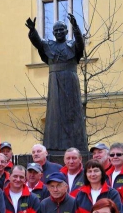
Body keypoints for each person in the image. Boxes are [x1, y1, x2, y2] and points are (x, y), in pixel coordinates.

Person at [26, 14, 86, 152]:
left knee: (73, 112)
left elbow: (80, 45)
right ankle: (54, 145)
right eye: (56, 30)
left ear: (66, 31)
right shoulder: (49, 45)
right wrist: (32, 31)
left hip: (70, 80)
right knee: (55, 113)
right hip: (54, 81)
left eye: (61, 30)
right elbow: (38, 43)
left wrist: (76, 27)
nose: (59, 32)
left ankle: (76, 146)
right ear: (53, 33)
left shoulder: (72, 45)